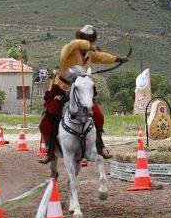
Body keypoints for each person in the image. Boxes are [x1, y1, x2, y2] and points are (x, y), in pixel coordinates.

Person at [39, 25, 129, 164]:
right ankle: (50, 150)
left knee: (98, 115)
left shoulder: (90, 53)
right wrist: (90, 46)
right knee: (49, 113)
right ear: (80, 38)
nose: (87, 42)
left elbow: (103, 57)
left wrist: (119, 59)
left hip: (81, 90)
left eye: (89, 39)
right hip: (62, 88)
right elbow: (75, 44)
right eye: (84, 39)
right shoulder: (69, 48)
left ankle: (100, 146)